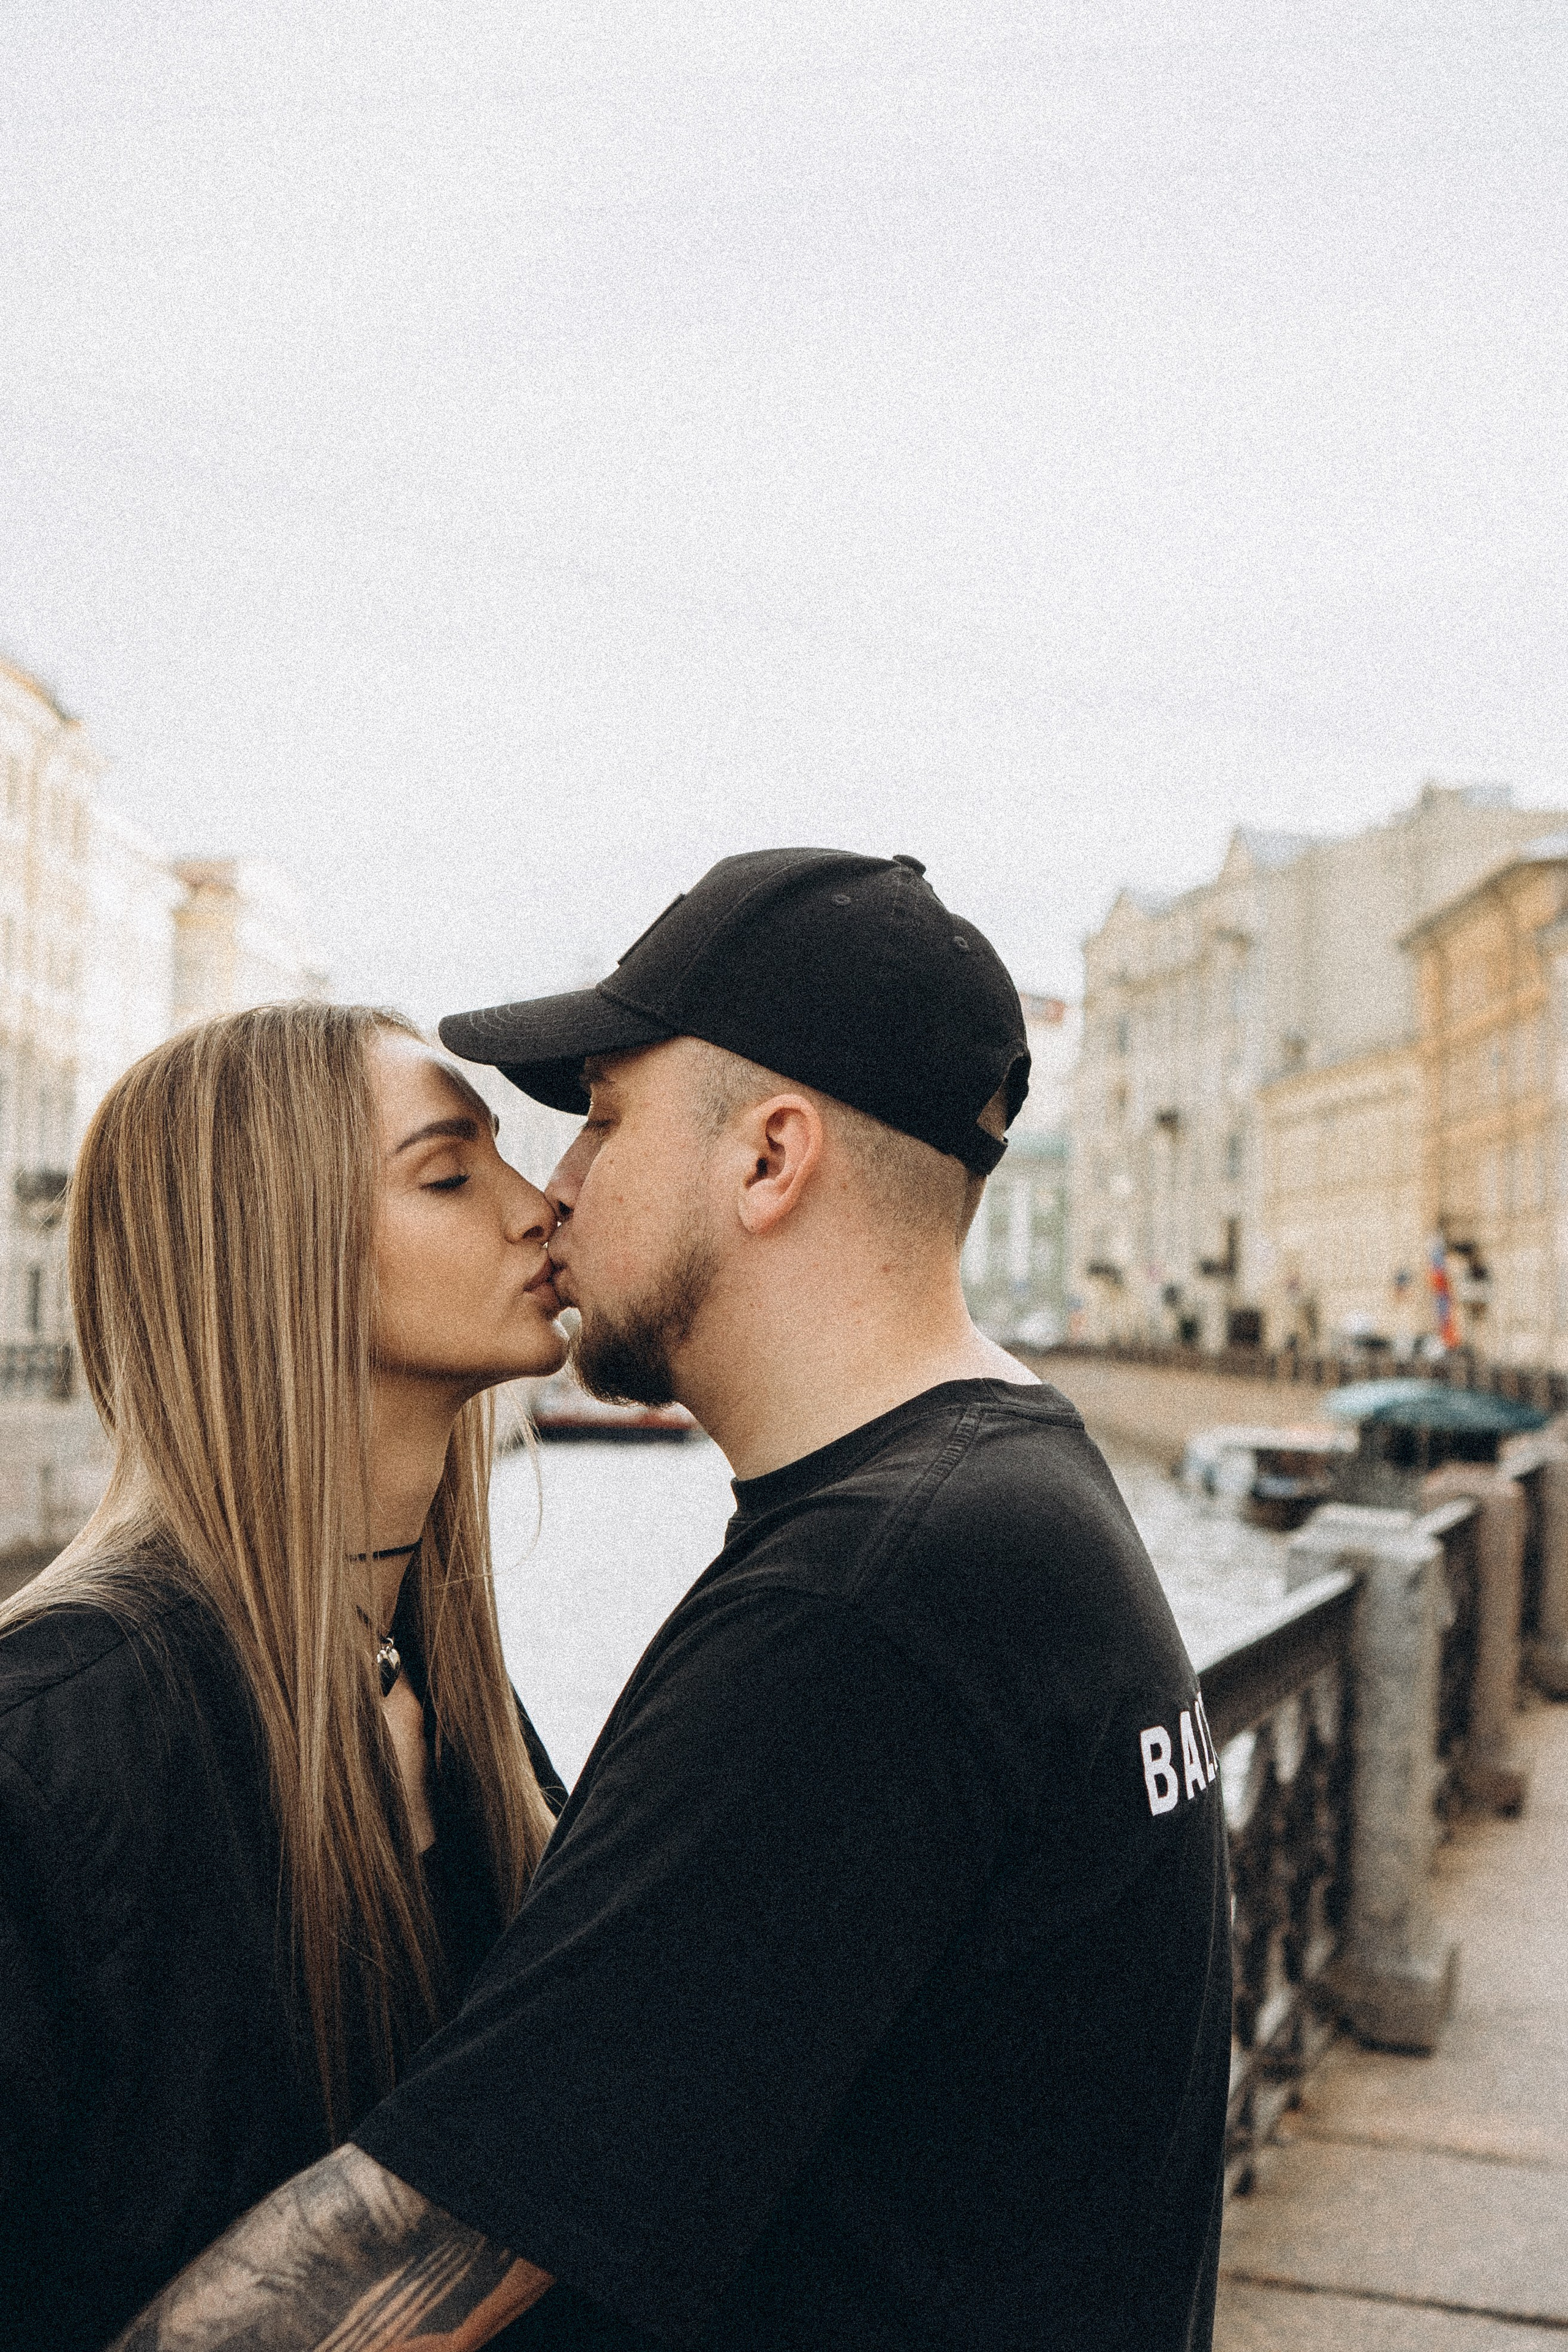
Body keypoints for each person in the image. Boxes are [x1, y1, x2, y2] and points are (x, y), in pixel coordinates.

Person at [111, 850, 1233, 2352]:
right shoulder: (1008, 1493)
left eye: (605, 1120)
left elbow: (428, 2239)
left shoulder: (864, 1605)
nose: (557, 1185)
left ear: (768, 1159)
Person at [0, 1002, 573, 2351]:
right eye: (449, 1174)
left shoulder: (449, 1698)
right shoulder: (50, 1747)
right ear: (274, 1261)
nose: (538, 1205)